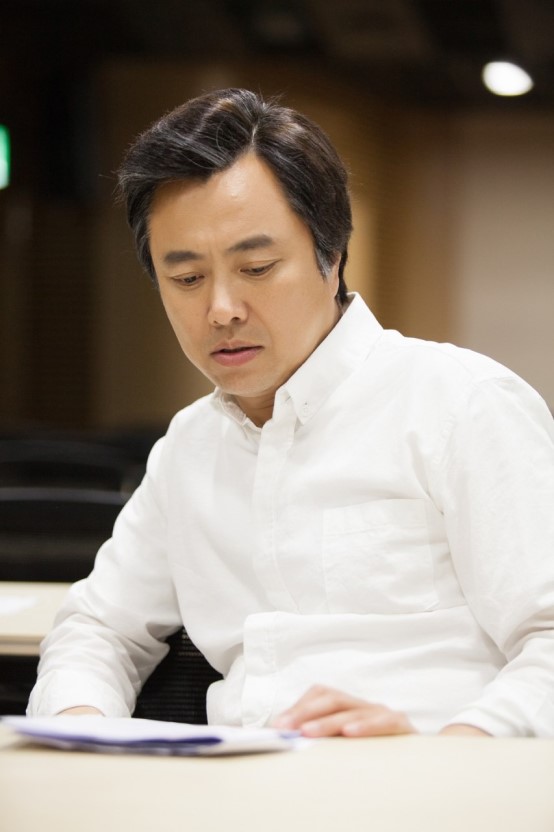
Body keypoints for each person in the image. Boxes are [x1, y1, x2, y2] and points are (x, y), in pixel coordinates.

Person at [28, 88, 554, 738]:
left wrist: (450, 748)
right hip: (237, 780)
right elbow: (97, 629)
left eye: (256, 267)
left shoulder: (460, 403)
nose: (221, 310)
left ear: (331, 257)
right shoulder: (190, 448)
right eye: (187, 279)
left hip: (432, 778)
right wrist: (83, 728)